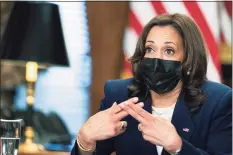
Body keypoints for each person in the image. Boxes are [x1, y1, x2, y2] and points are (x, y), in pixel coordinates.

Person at [71, 13, 232, 155]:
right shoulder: (119, 95)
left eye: (169, 50)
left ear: (188, 60)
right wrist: (85, 141)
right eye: (150, 49)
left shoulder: (218, 101)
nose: (156, 59)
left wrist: (178, 147)